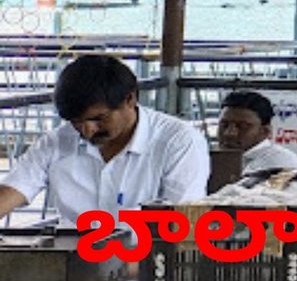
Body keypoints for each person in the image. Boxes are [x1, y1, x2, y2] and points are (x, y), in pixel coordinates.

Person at [0, 54, 208, 226]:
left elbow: (181, 223)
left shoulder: (180, 142)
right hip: (74, 263)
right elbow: (13, 189)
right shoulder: (56, 142)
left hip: (148, 266)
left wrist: (121, 266)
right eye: (76, 122)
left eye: (99, 119)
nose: (88, 130)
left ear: (130, 99)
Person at [218, 90, 297, 176]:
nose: (229, 133)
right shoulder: (217, 159)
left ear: (265, 131)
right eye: (224, 125)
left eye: (242, 127)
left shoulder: (281, 162)